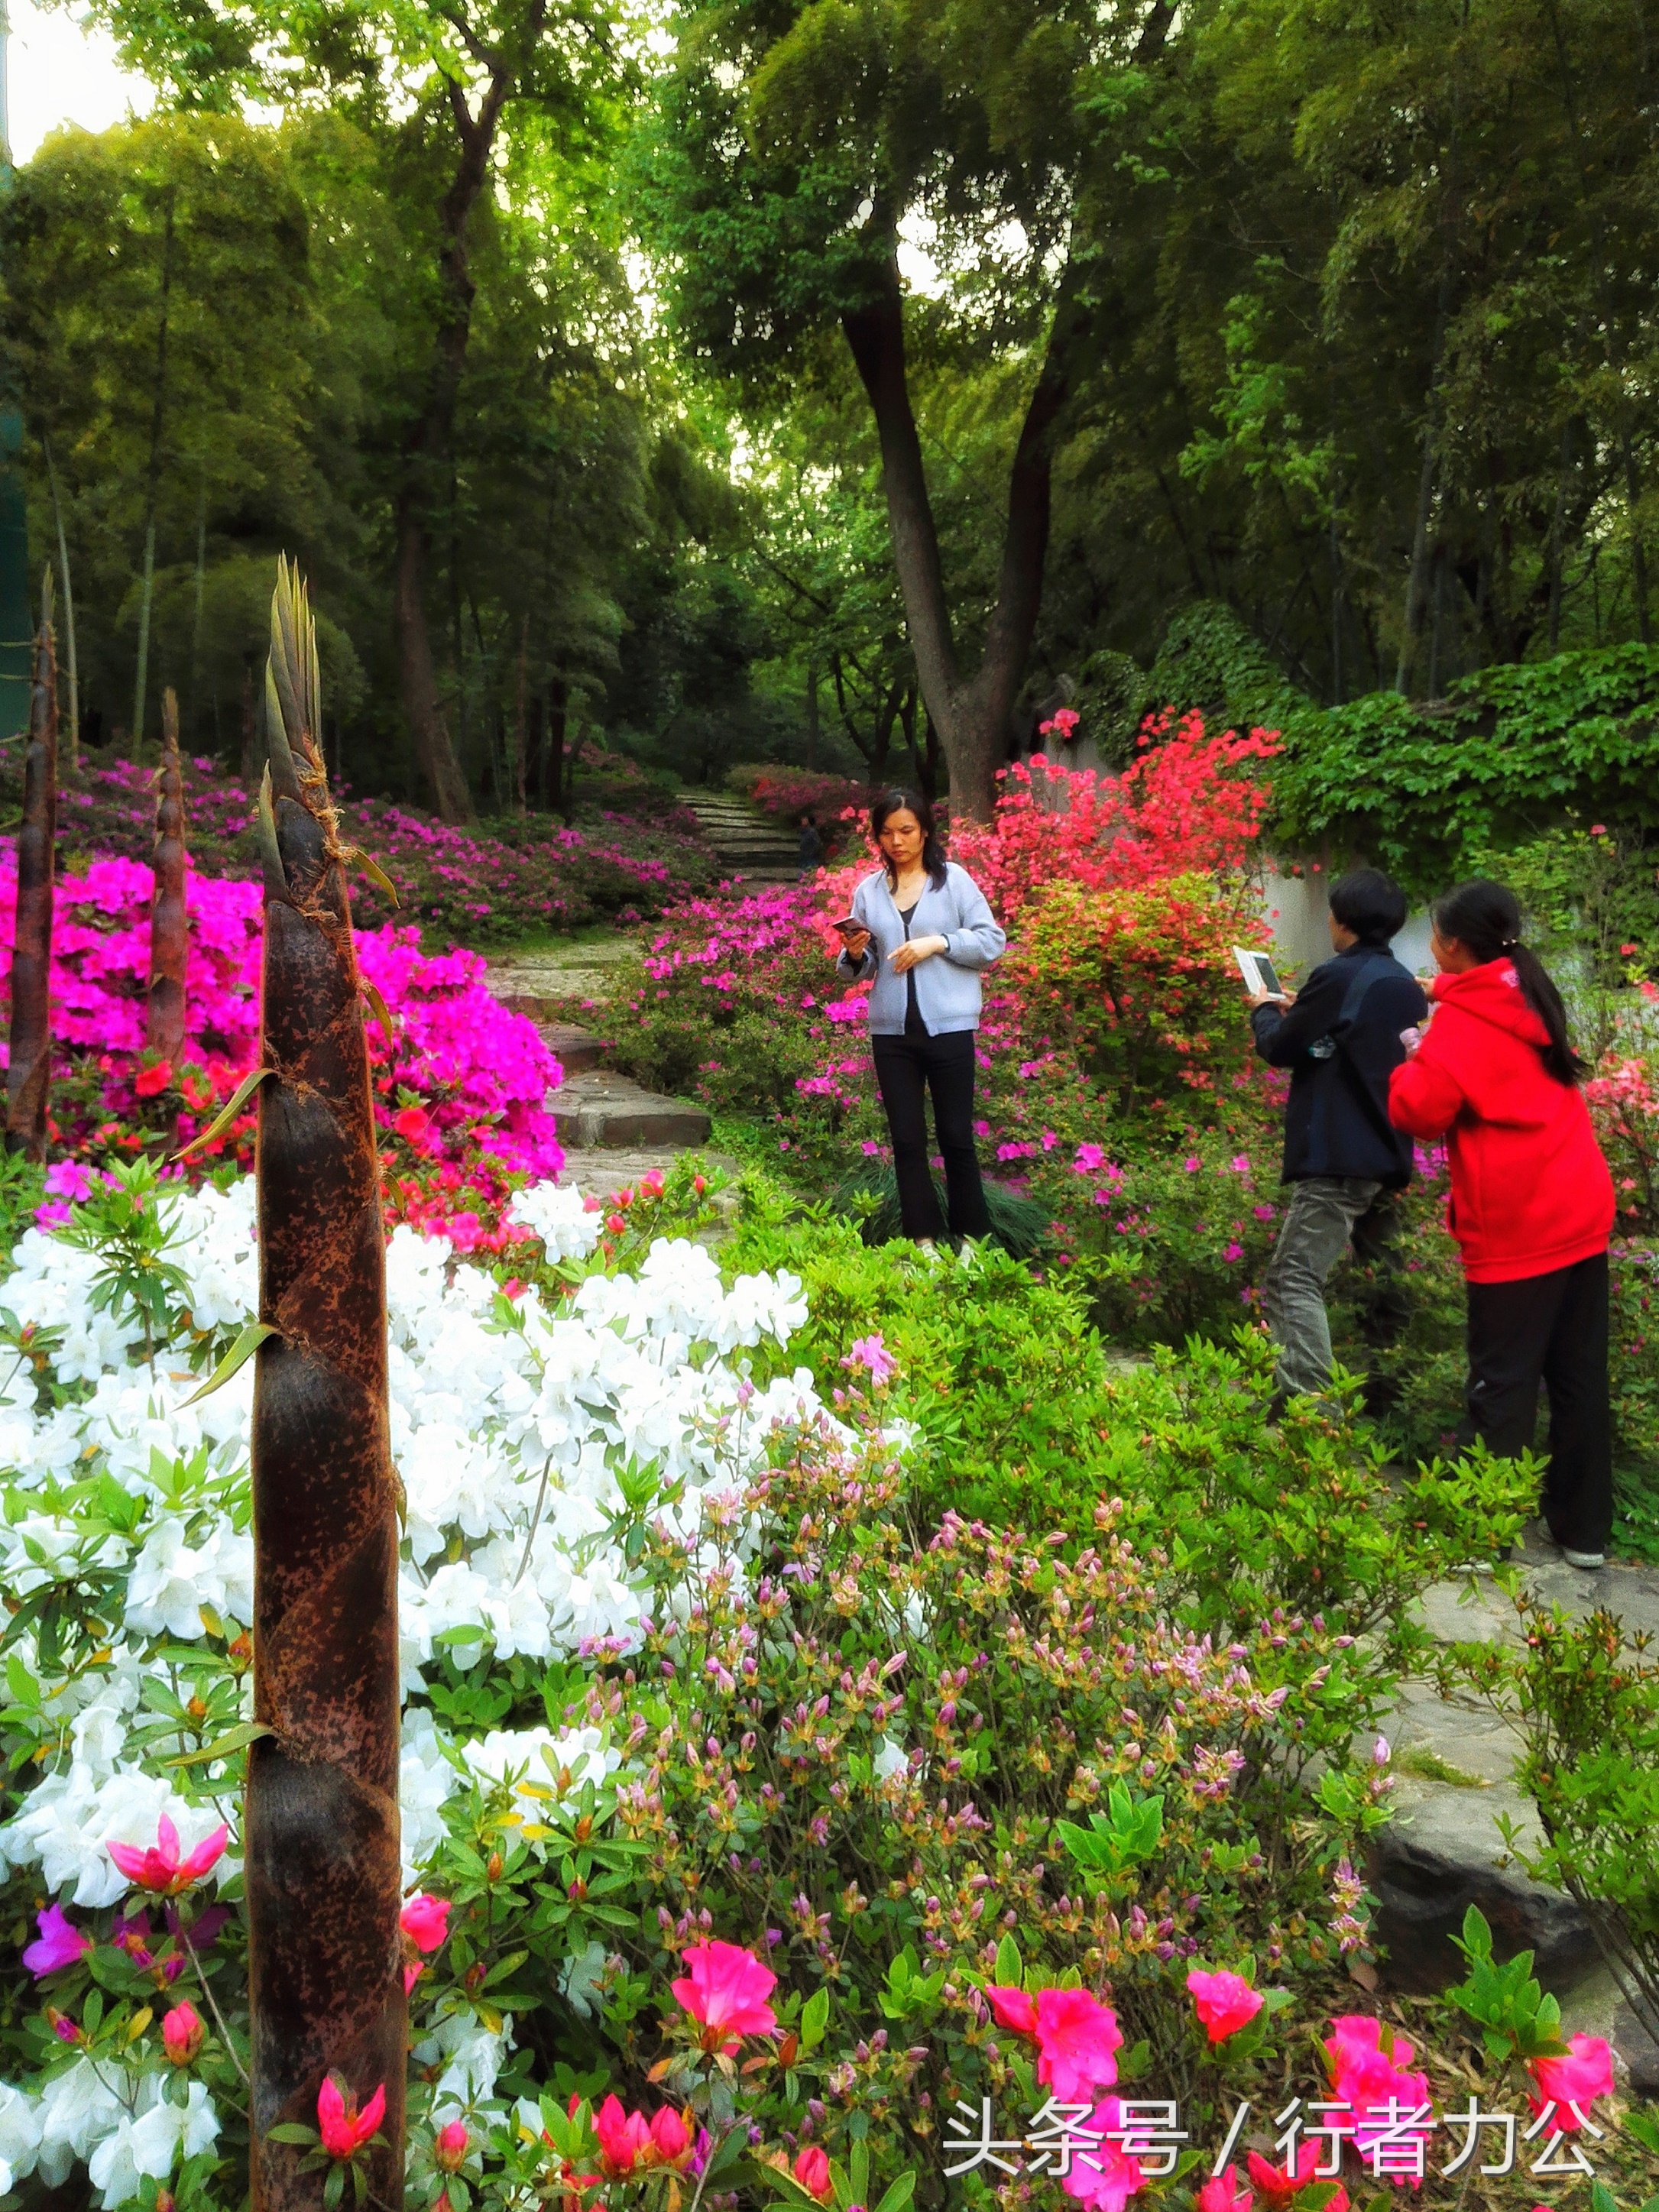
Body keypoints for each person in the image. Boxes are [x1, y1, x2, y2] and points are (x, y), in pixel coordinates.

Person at [1388, 878, 1615, 1569]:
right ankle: (1583, 1534)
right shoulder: (1527, 989)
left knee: (1501, 1382)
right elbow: (1488, 1023)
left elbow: (1418, 1112)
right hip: (1578, 1203)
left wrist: (1411, 1059)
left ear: (1452, 945)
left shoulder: (1459, 1026)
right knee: (1578, 1377)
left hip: (1518, 1224)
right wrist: (1444, 994)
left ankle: (1478, 1534)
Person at [1247, 868, 1428, 1401]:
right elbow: (1350, 1035)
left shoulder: (1339, 975)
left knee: (1292, 1279)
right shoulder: (1401, 982)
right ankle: (1391, 1404)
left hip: (1338, 1153)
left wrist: (1263, 1009)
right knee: (1384, 1284)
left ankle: (1311, 1417)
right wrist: (1303, 1006)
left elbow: (1281, 1048)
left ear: (1341, 919)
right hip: (1385, 1149)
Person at [834, 789, 1006, 1246]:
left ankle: (973, 1242)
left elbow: (991, 942)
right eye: (887, 832)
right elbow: (864, 966)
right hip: (891, 1034)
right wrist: (854, 954)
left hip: (949, 1029)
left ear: (926, 830)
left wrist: (939, 943)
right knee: (907, 1142)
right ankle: (923, 1243)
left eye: (906, 830)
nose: (897, 841)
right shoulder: (868, 891)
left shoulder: (953, 882)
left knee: (956, 1138)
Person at [798, 811, 822, 878]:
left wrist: (812, 852)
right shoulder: (802, 831)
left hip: (811, 856)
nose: (803, 821)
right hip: (804, 855)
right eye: (802, 819)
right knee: (803, 873)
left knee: (810, 872)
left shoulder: (812, 831)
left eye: (805, 819)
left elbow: (817, 843)